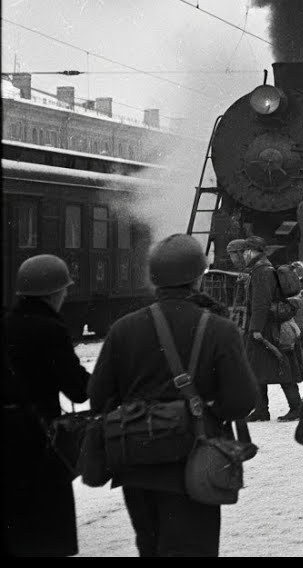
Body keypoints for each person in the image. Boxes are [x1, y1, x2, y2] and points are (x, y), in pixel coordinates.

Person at [88, 235, 258, 557]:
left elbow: (98, 397)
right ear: (199, 277)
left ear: (154, 279)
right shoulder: (219, 329)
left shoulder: (123, 328)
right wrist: (202, 409)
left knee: (149, 547)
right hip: (193, 461)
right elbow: (242, 401)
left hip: (135, 459)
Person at [2, 255, 91, 557]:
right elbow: (78, 390)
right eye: (65, 290)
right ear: (54, 293)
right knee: (46, 532)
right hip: (38, 441)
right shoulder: (50, 329)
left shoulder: (5, 323)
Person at [241, 236, 303, 422]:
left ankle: (296, 407)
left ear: (253, 251)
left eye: (246, 251)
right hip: (269, 326)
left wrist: (255, 329)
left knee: (281, 369)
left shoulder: (261, 271)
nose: (244, 255)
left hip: (267, 330)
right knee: (259, 369)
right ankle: (261, 410)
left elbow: (261, 303)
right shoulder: (263, 268)